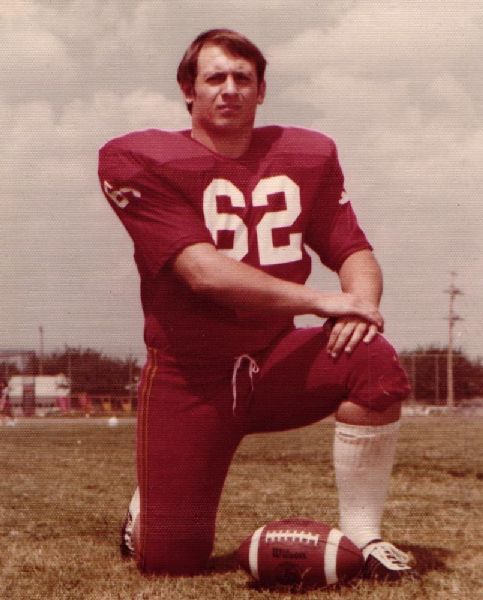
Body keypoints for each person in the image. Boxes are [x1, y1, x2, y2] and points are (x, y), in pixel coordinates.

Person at [98, 29, 416, 581]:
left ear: (261, 90)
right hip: (190, 380)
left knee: (373, 358)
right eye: (215, 78)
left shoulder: (307, 154)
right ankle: (151, 503)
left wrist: (360, 307)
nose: (230, 89)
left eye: (243, 78)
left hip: (273, 364)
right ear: (188, 91)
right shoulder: (136, 158)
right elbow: (202, 273)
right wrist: (322, 301)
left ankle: (365, 536)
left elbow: (353, 249)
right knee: (172, 564)